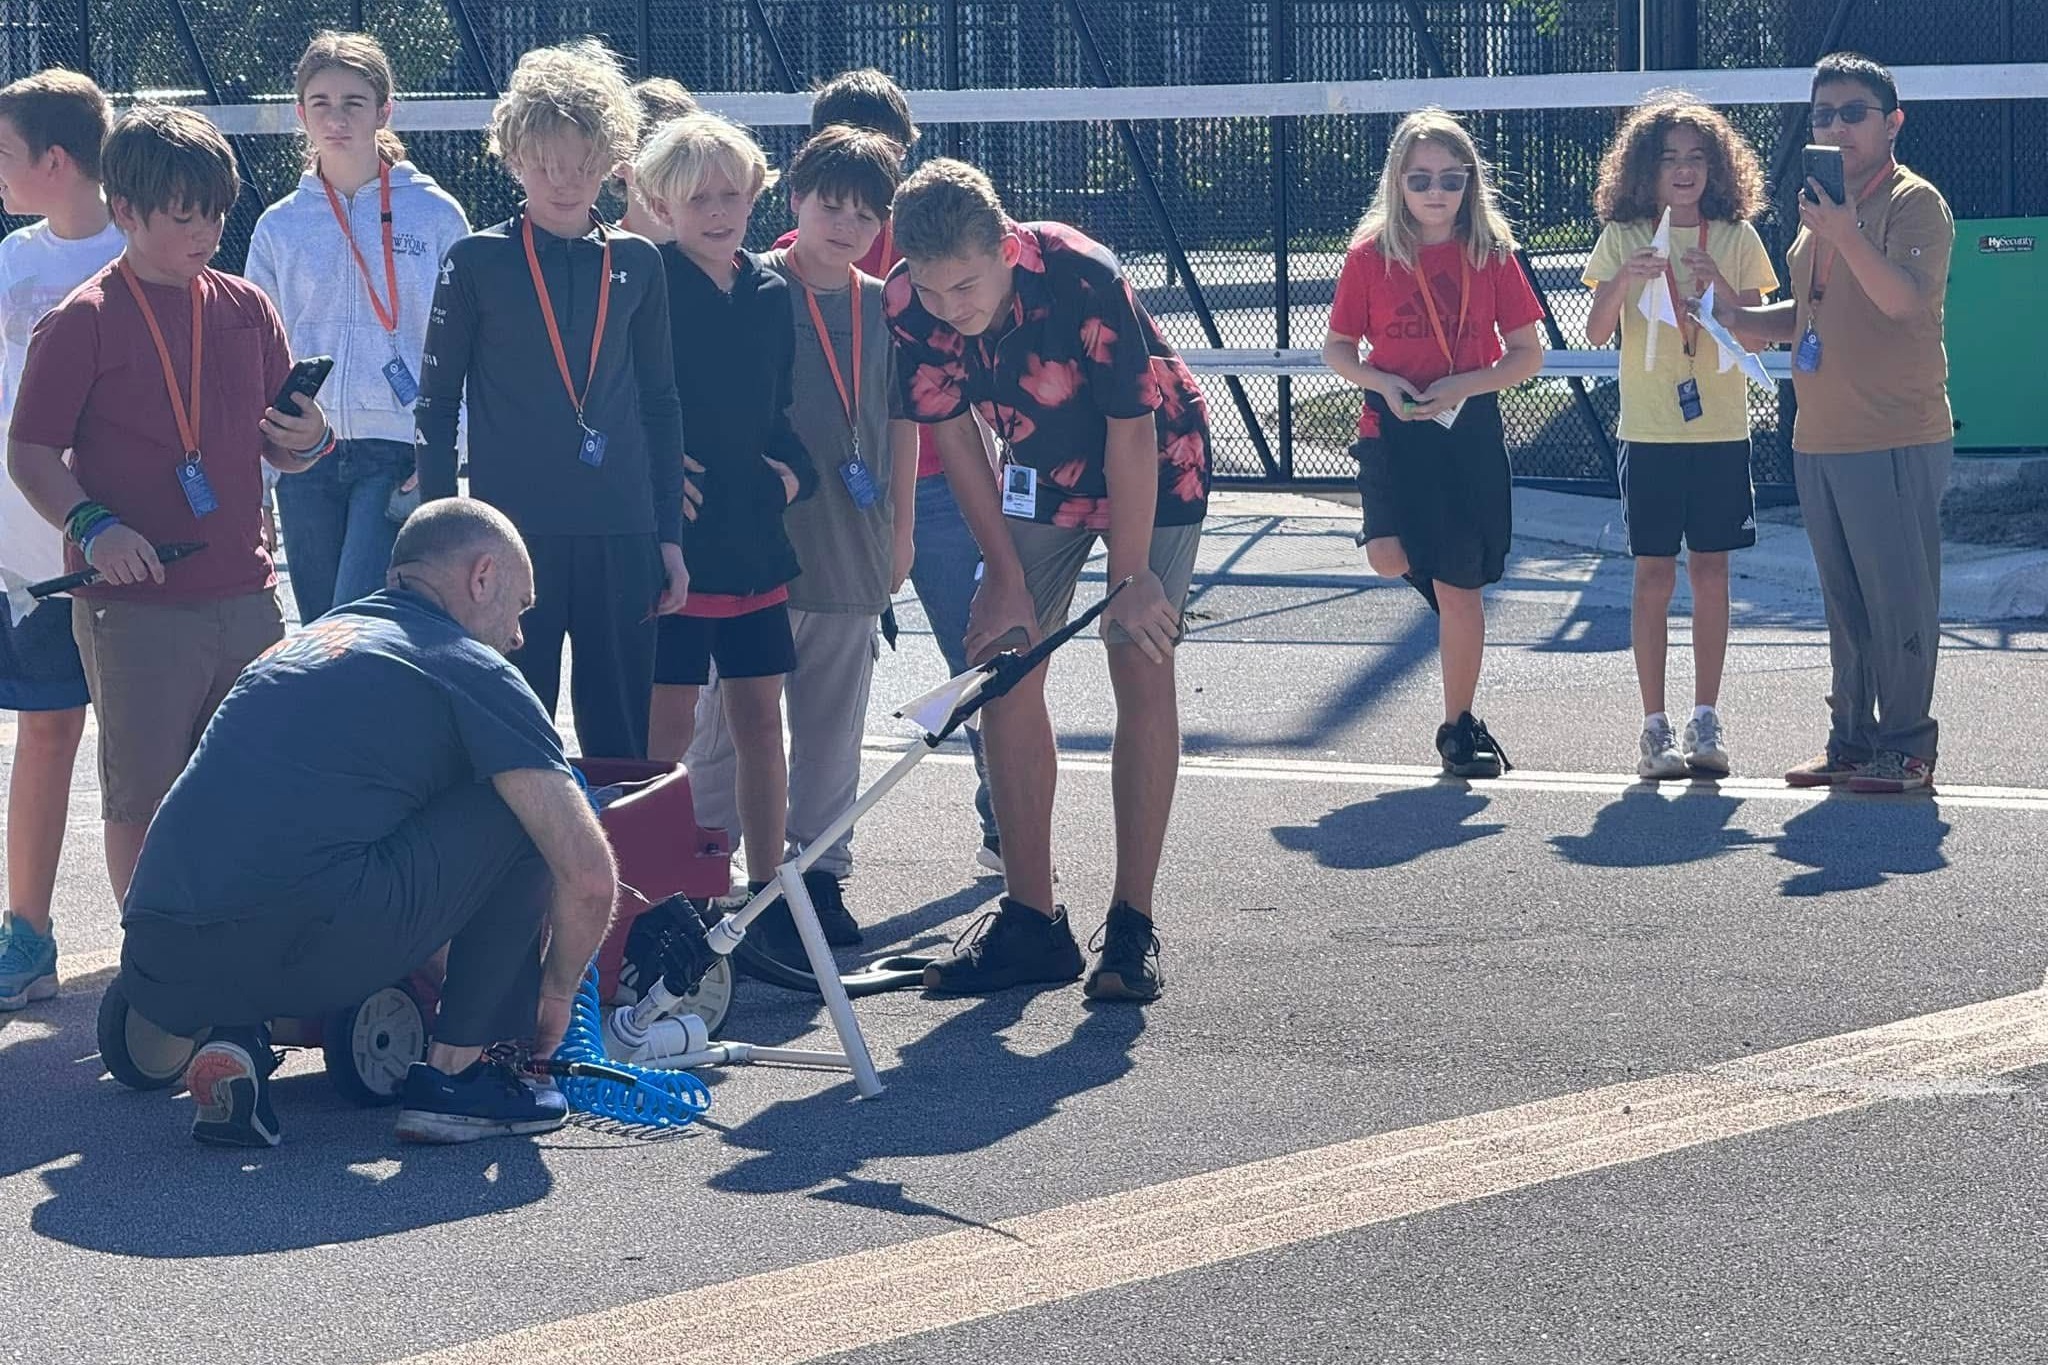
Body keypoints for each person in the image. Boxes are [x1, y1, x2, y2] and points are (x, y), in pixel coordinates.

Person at [116, 499, 616, 1148]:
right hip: (296, 942)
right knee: (523, 813)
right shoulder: (473, 667)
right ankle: (461, 1078)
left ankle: (232, 1034)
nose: (520, 635)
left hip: (153, 957)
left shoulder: (303, 647)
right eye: (521, 606)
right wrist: (553, 1000)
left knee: (307, 844)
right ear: (483, 576)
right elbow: (589, 877)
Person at [885, 158, 1213, 1003]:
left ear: (1005, 248)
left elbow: (1131, 436)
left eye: (965, 286)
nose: (950, 310)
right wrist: (1000, 571)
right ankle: (1032, 920)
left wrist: (1134, 574)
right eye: (932, 292)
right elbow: (953, 435)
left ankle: (1131, 926)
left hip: (1155, 463)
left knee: (1138, 655)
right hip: (1040, 472)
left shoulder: (1082, 273)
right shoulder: (907, 302)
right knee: (1003, 658)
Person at [6, 105, 329, 923]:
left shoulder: (247, 306)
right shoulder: (82, 318)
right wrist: (94, 527)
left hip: (247, 595)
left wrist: (310, 437)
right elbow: (31, 452)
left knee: (255, 784)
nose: (206, 233)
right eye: (184, 216)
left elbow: (277, 443)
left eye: (217, 212)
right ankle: (154, 963)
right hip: (135, 607)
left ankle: (242, 946)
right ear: (126, 212)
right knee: (142, 801)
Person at [415, 40, 688, 760]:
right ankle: (514, 876)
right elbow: (436, 407)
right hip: (508, 539)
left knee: (622, 736)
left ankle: (622, 876)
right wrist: (439, 542)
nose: (566, 180)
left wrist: (669, 537)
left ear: (613, 160)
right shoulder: (475, 260)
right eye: (545, 163)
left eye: (584, 163)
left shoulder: (638, 261)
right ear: (513, 157)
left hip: (621, 532)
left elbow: (660, 403)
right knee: (508, 730)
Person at [685, 123, 914, 952]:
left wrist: (900, 529)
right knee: (725, 723)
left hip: (849, 542)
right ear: (794, 200)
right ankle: (706, 876)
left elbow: (900, 422)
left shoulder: (884, 305)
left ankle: (815, 877)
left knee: (828, 724)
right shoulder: (749, 283)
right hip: (748, 549)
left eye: (863, 212)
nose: (844, 224)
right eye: (830, 204)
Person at [1709, 53, 1955, 795]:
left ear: (1893, 124)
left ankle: (1907, 747)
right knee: (1846, 607)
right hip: (1819, 437)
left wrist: (1845, 231)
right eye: (1823, 115)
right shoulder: (1822, 211)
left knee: (1899, 601)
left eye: (1854, 113)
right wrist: (1734, 317)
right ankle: (1851, 741)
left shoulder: (1914, 204)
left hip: (1895, 434)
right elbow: (1810, 314)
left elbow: (1903, 300)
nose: (1837, 126)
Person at [777, 68, 1003, 875]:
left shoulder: (927, 249)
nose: (855, 215)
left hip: (937, 487)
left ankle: (1005, 818)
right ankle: (780, 869)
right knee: (794, 683)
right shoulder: (780, 268)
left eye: (889, 162)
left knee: (979, 651)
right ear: (812, 163)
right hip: (821, 510)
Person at [1321, 108, 1546, 777]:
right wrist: (1383, 382)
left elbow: (1528, 355)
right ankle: (1455, 609)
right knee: (1391, 558)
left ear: (1469, 182)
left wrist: (1466, 384)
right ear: (1399, 182)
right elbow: (1336, 348)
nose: (1436, 192)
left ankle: (1458, 725)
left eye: (1450, 178)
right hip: (1392, 430)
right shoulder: (1369, 256)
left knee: (1462, 589)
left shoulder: (1493, 253)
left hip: (1467, 432)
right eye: (1421, 179)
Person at [634, 112, 817, 915]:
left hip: (753, 542)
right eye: (699, 196)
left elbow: (778, 413)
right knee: (664, 728)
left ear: (754, 197)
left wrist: (793, 480)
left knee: (759, 720)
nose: (718, 210)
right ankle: (642, 887)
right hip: (677, 547)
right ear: (663, 204)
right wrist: (652, 477)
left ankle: (768, 889)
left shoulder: (773, 288)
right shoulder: (644, 281)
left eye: (732, 194)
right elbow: (623, 401)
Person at [245, 31, 471, 623]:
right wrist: (258, 471)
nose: (337, 117)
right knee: (322, 629)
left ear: (384, 110)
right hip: (304, 452)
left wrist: (447, 450)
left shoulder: (437, 212)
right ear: (300, 113)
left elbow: (469, 344)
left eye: (353, 102)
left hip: (398, 450)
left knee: (360, 619)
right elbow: (257, 357)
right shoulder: (279, 226)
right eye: (321, 102)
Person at [1584, 94, 1777, 780]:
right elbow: (1596, 331)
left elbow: (1754, 326)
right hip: (1650, 430)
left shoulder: (1737, 236)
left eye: (1698, 157)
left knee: (1713, 570)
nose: (1684, 170)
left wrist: (1721, 284)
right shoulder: (1623, 235)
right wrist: (1623, 282)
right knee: (1652, 575)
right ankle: (1653, 726)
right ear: (1645, 169)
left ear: (1718, 167)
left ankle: (1705, 718)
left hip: (1721, 430)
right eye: (1669, 158)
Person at [0, 69, 124, 1010]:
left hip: (137, 561)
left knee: (152, 752)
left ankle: (169, 943)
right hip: (32, 564)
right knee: (45, 733)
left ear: (53, 160)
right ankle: (27, 935)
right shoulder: (9, 264)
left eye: (5, 155)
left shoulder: (148, 252)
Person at [612, 77, 698, 242]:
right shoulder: (599, 255)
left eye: (683, 152)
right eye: (653, 150)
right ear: (619, 162)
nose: (671, 165)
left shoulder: (718, 256)